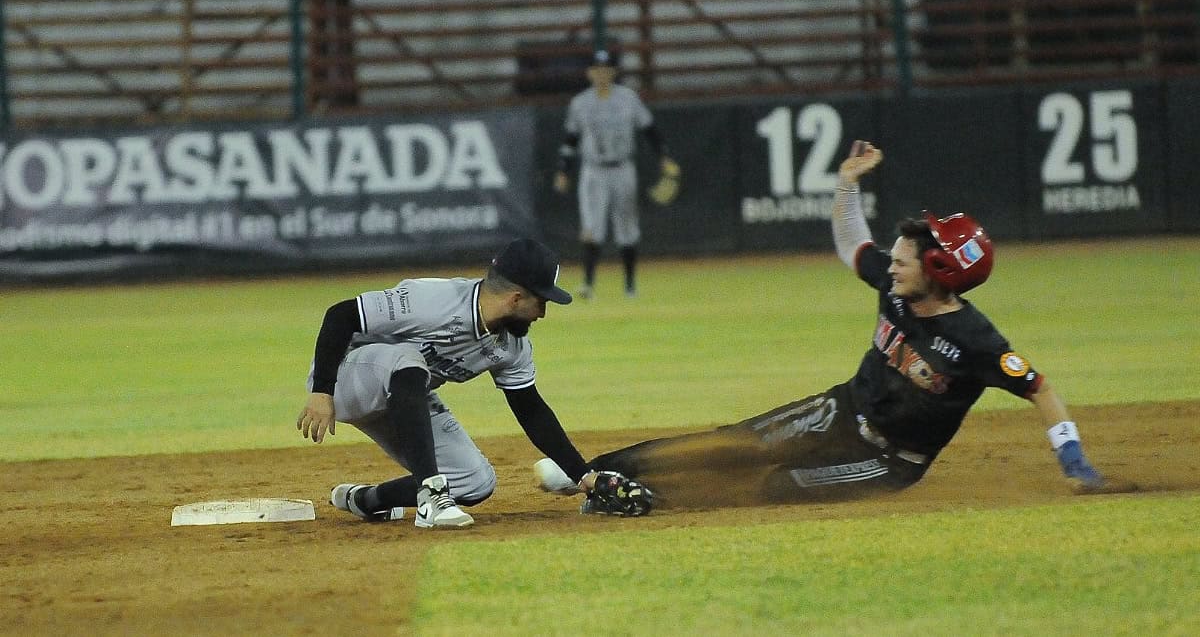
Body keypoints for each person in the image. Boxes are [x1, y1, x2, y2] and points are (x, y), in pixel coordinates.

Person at [536, 140, 1113, 513]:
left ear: (938, 271)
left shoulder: (976, 342)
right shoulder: (894, 284)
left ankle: (636, 500)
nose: (893, 260)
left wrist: (1074, 460)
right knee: (735, 444)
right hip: (842, 408)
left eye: (907, 256)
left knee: (774, 486)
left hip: (889, 462)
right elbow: (851, 243)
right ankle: (590, 473)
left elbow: (1039, 388)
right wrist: (846, 184)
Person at [296, 238, 644, 528]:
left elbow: (530, 409)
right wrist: (321, 391)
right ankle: (431, 499)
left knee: (474, 481)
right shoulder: (433, 301)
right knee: (408, 359)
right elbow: (341, 314)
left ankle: (368, 500)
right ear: (516, 298)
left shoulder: (512, 346)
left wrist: (583, 476)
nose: (543, 313)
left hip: (404, 397)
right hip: (345, 378)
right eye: (542, 301)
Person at [553, 49, 678, 299]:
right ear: (590, 73)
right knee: (592, 227)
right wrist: (563, 170)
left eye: (606, 69)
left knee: (627, 226)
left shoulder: (627, 99)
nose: (601, 74)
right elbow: (571, 140)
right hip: (594, 171)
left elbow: (650, 130)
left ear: (613, 72)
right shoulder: (581, 103)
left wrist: (664, 157)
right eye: (597, 69)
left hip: (622, 168)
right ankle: (588, 284)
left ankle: (630, 285)